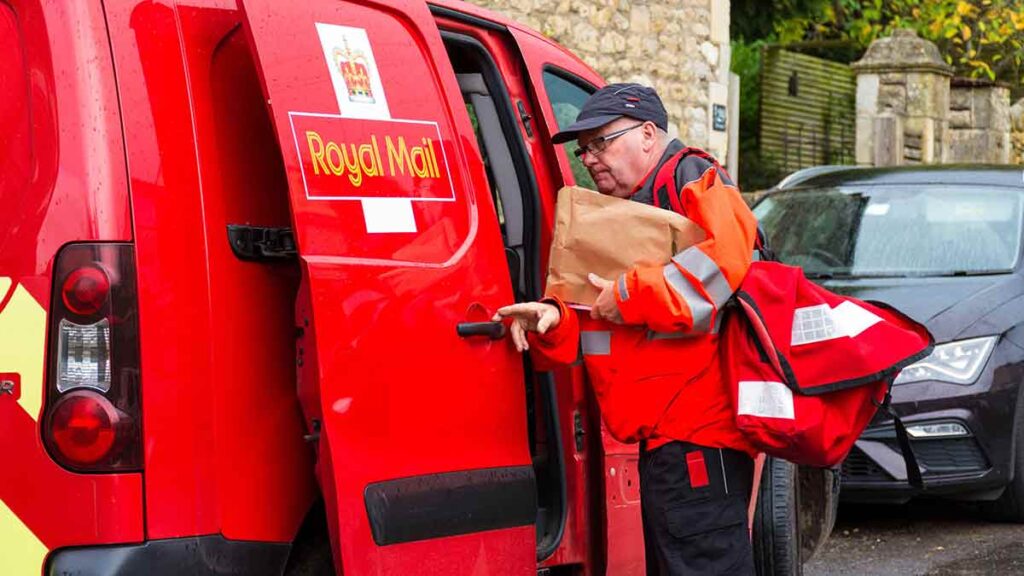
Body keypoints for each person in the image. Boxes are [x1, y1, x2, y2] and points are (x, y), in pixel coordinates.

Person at [494, 83, 760, 575]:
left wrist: (627, 294)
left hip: (698, 436)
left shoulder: (693, 176)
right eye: (584, 149)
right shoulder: (626, 213)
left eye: (601, 142)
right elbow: (600, 316)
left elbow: (725, 268)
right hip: (667, 439)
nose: (590, 158)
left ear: (646, 134)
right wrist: (554, 319)